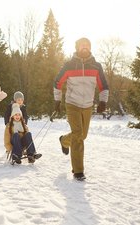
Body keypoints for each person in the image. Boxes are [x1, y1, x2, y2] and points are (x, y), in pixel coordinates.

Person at [53, 37, 109, 181]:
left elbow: (103, 85)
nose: (85, 47)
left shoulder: (96, 66)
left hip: (88, 105)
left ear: (90, 48)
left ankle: (64, 140)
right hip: (72, 104)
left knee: (82, 135)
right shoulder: (69, 65)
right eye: (82, 45)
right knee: (78, 135)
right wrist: (57, 100)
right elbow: (58, 82)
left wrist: (103, 101)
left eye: (87, 45)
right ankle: (78, 171)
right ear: (77, 48)